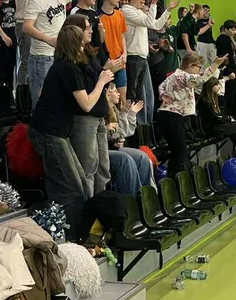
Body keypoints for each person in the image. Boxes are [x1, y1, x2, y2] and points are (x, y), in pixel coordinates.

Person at [28, 22, 113, 237]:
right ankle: (67, 231)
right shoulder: (68, 68)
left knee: (78, 182)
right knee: (72, 184)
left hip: (57, 131)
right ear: (75, 43)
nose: (88, 37)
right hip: (49, 132)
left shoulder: (64, 66)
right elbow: (87, 104)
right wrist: (101, 82)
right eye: (83, 37)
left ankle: (73, 230)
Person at [20, 0, 96, 102]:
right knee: (44, 100)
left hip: (59, 55)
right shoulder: (36, 1)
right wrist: (48, 39)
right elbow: (27, 27)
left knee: (60, 98)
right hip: (42, 57)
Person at [67, 14, 126, 197]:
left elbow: (99, 80)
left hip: (98, 116)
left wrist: (107, 70)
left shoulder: (90, 53)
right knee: (88, 169)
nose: (91, 30)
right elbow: (88, 91)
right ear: (76, 31)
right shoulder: (71, 61)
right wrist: (105, 72)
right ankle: (89, 207)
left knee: (103, 168)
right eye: (87, 28)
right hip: (84, 119)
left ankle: (102, 204)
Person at [156, 52, 224, 175]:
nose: (199, 70)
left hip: (169, 115)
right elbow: (201, 79)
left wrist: (163, 95)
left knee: (177, 151)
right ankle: (180, 178)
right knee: (181, 152)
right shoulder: (183, 76)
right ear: (191, 65)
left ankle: (175, 178)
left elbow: (161, 86)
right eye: (199, 67)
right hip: (172, 116)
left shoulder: (175, 75)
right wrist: (215, 65)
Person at [121, 0, 177, 125]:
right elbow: (149, 22)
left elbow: (155, 25)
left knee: (143, 95)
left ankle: (143, 125)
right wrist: (154, 2)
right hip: (133, 57)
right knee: (133, 94)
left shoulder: (138, 12)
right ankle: (133, 126)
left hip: (142, 56)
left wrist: (168, 10)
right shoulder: (126, 11)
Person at [13, 0, 61, 88]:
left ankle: (30, 86)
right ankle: (22, 90)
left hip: (36, 24)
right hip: (24, 23)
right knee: (26, 59)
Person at [104, 84, 153, 196]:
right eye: (115, 91)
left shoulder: (114, 110)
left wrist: (130, 114)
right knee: (125, 160)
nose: (119, 94)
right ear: (107, 93)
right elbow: (120, 133)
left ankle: (146, 198)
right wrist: (126, 114)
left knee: (142, 157)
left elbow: (125, 132)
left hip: (113, 147)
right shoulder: (102, 111)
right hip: (104, 149)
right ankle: (133, 199)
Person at [197, 76, 236, 141]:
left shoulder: (216, 98)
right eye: (216, 85)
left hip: (218, 124)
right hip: (211, 128)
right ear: (210, 87)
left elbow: (221, 112)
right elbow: (214, 118)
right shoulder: (205, 102)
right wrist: (228, 119)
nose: (219, 87)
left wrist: (228, 118)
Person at [0, 0, 18, 88]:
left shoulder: (14, 4)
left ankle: (10, 89)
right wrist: (4, 36)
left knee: (11, 65)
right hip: (1, 38)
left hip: (13, 38)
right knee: (2, 64)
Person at [215, 20, 236, 116]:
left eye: (235, 30)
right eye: (232, 30)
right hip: (228, 70)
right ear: (225, 29)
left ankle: (232, 113)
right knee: (230, 94)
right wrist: (228, 71)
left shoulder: (229, 39)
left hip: (232, 68)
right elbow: (223, 57)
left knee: (235, 93)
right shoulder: (223, 40)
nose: (234, 32)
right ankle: (229, 114)